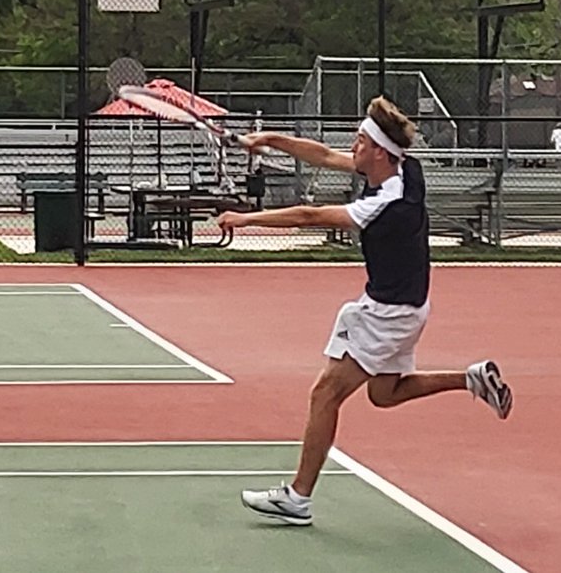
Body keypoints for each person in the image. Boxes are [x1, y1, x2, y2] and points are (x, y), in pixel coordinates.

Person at [216, 96, 512, 527]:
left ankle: (298, 497)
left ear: (377, 151)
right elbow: (321, 155)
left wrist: (245, 220)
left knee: (325, 394)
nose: (351, 147)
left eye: (358, 141)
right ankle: (471, 378)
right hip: (407, 307)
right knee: (384, 394)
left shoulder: (386, 205)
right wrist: (271, 139)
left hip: (387, 314)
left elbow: (309, 216)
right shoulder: (406, 169)